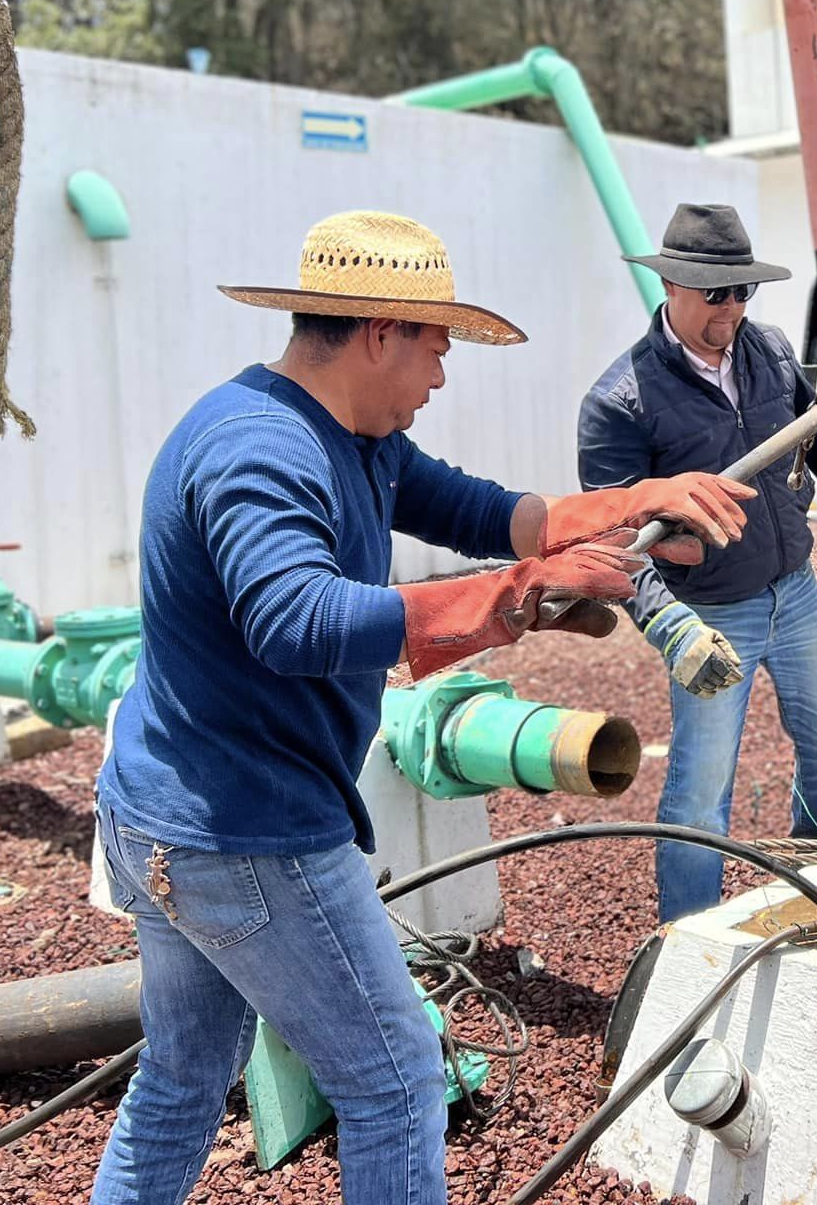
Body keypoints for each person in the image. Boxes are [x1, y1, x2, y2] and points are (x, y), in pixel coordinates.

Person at [91, 210, 752, 1205]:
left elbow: (492, 513)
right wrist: (518, 596)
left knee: (183, 1077)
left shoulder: (356, 435)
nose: (440, 374)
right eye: (434, 347)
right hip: (248, 831)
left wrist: (631, 503)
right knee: (396, 1076)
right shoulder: (259, 452)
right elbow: (295, 620)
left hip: (164, 814)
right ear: (377, 333)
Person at [579, 202, 817, 921]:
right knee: (702, 794)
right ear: (671, 286)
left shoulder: (769, 352)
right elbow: (613, 541)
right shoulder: (621, 403)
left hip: (793, 591)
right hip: (709, 611)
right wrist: (672, 628)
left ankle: (816, 886)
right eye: (715, 293)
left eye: (742, 291)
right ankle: (686, 943)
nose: (731, 309)